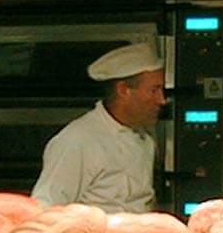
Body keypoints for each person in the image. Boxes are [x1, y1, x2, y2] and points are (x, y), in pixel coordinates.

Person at [33, 43, 165, 213]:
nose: (162, 100)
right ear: (124, 90)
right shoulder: (77, 141)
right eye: (154, 90)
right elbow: (45, 208)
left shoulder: (145, 139)